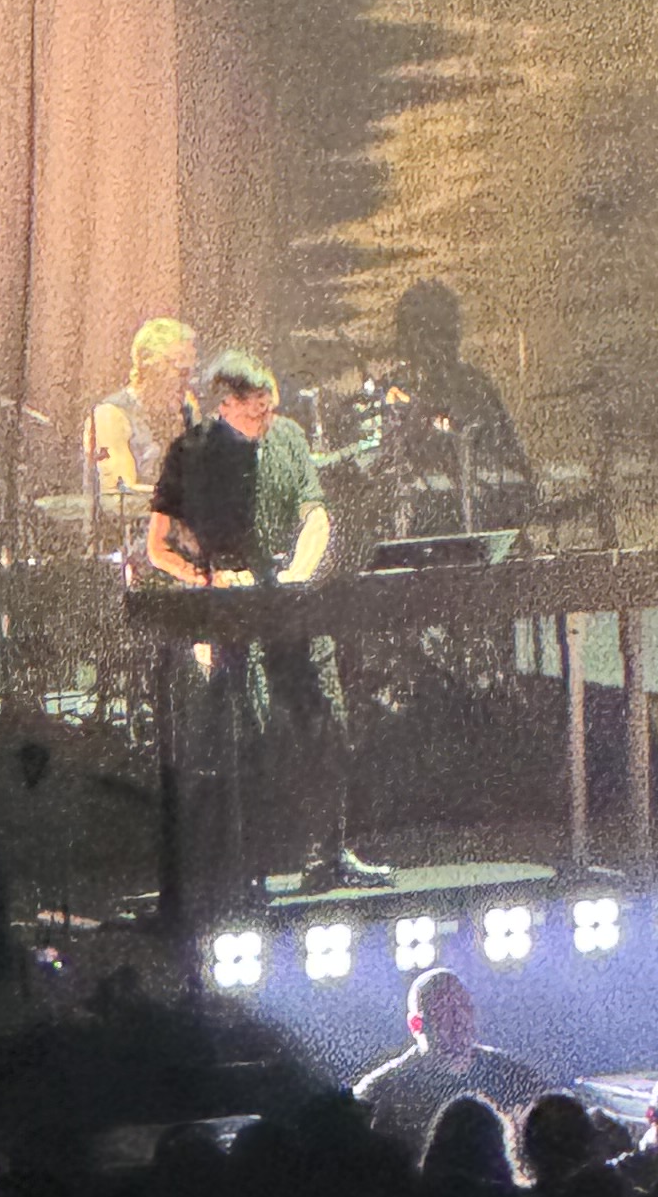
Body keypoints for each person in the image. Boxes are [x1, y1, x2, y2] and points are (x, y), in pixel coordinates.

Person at [144, 350, 383, 892]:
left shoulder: (289, 438)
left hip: (290, 603)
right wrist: (207, 580)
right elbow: (158, 547)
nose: (265, 418)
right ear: (225, 405)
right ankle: (244, 869)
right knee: (244, 739)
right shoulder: (191, 453)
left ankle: (329, 855)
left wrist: (298, 574)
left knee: (326, 725)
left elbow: (315, 515)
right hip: (231, 612)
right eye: (254, 408)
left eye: (269, 406)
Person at [373, 277, 532, 534]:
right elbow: (376, 479)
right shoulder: (390, 393)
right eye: (425, 334)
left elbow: (518, 477)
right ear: (406, 339)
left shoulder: (476, 390)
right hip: (413, 531)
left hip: (477, 528)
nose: (434, 346)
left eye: (442, 334)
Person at [352, 969, 545, 1139]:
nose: (460, 1019)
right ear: (416, 1024)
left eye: (465, 1006)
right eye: (444, 1011)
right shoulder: (384, 1091)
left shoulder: (513, 1077)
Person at [81, 316, 200, 511]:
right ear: (150, 368)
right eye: (182, 372)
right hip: (126, 528)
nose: (189, 382)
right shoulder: (111, 415)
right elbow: (119, 496)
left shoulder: (186, 411)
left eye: (192, 373)